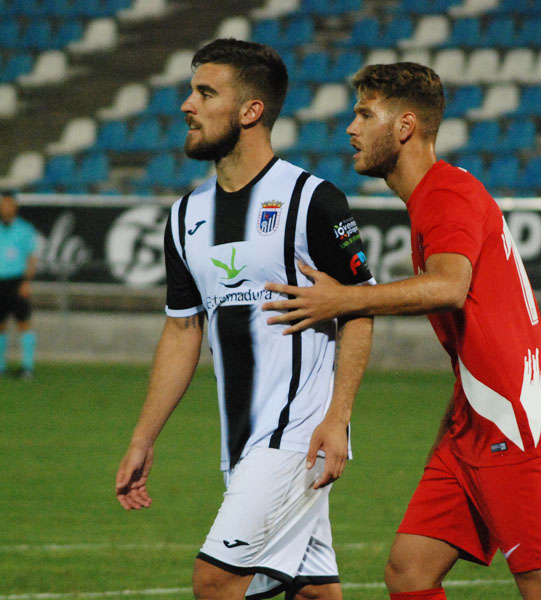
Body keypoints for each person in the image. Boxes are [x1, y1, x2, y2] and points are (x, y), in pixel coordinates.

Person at [263, 62, 541, 600]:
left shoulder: (445, 196)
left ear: (404, 127)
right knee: (409, 572)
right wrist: (451, 424)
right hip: (474, 418)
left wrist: (344, 298)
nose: (350, 128)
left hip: (512, 420)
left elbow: (448, 287)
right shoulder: (438, 196)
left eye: (364, 115)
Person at [114, 38, 375, 600]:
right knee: (312, 593)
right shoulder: (185, 216)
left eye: (206, 93)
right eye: (191, 90)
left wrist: (339, 418)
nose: (187, 104)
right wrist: (143, 437)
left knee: (214, 581)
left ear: (251, 111)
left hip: (298, 437)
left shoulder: (313, 200)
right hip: (241, 445)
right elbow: (184, 328)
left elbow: (361, 307)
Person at [0, 192, 38, 378]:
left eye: (8, 205)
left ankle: (27, 367)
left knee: (23, 323)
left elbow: (32, 257)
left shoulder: (25, 230)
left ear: (14, 208)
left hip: (17, 280)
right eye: (2, 206)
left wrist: (26, 281)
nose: (4, 209)